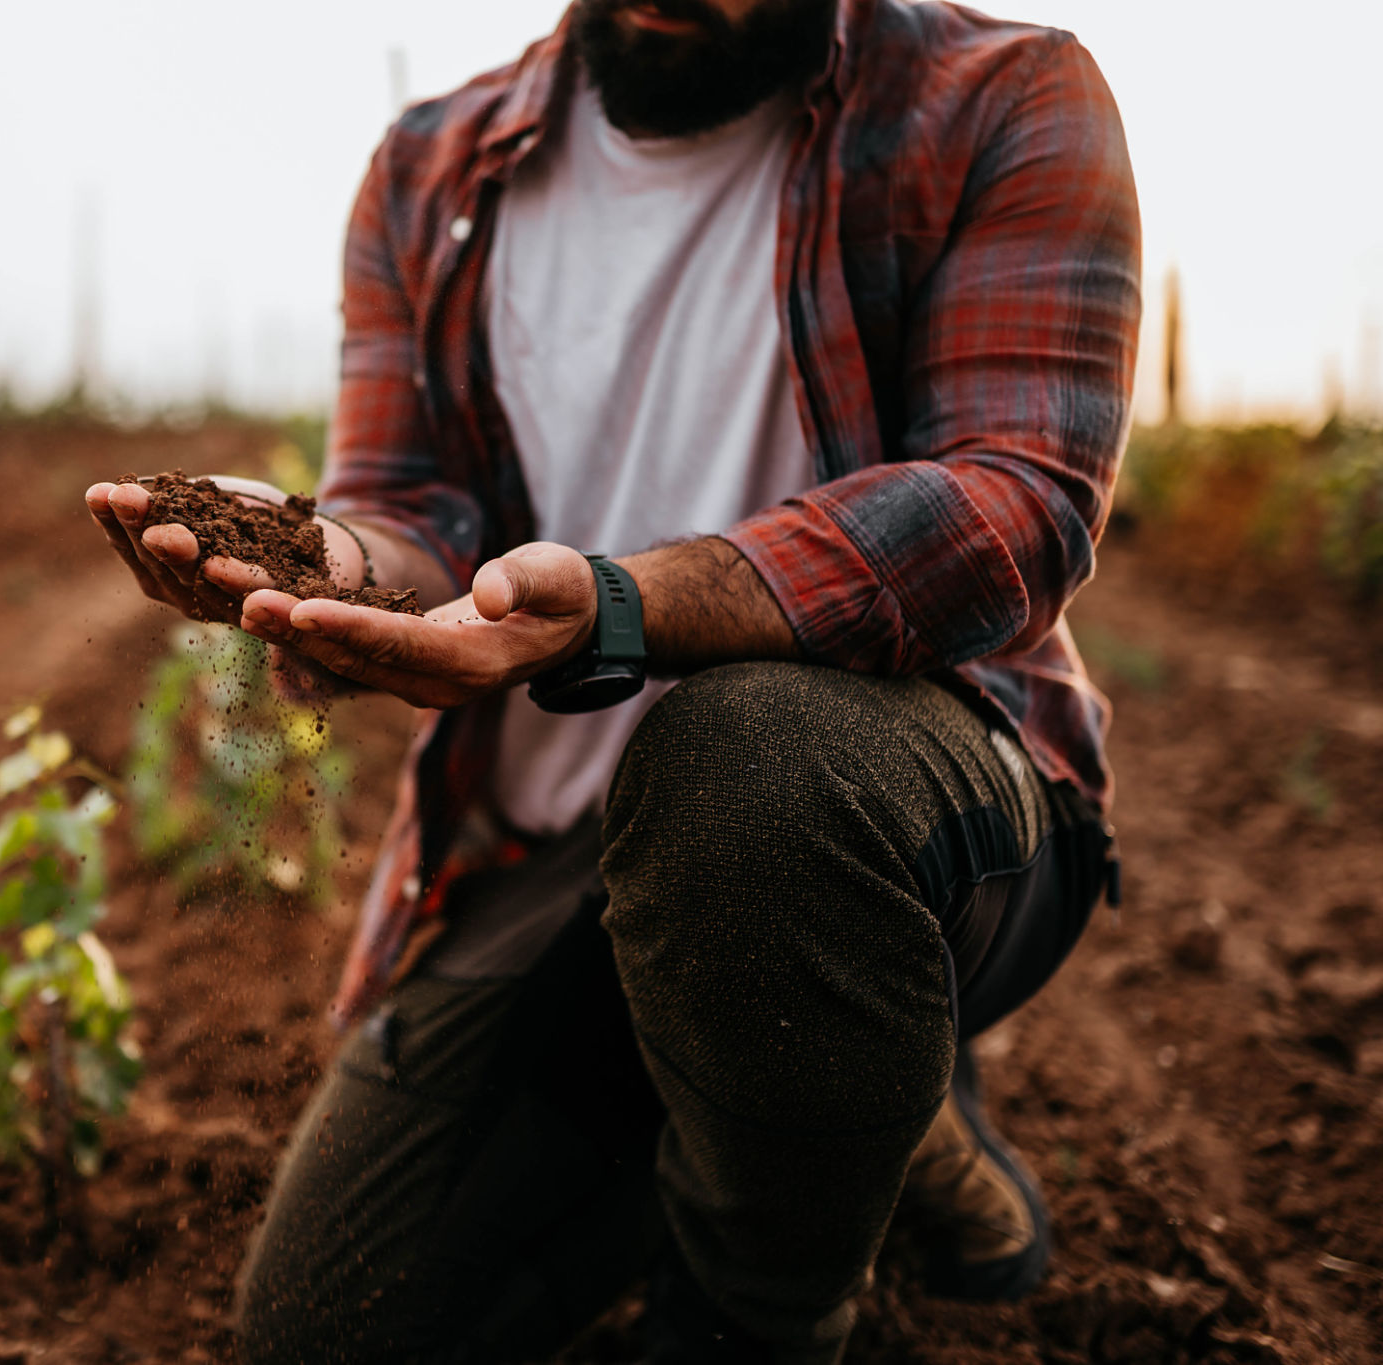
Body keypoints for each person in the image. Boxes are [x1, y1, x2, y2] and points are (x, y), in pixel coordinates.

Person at [84, 0, 1138, 1357]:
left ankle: (770, 1304)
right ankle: (829, 1100)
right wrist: (327, 559)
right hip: (558, 853)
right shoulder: (433, 169)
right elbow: (411, 512)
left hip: (916, 811)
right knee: (328, 1329)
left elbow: (1014, 501)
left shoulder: (999, 97)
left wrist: (623, 608)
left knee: (748, 771)